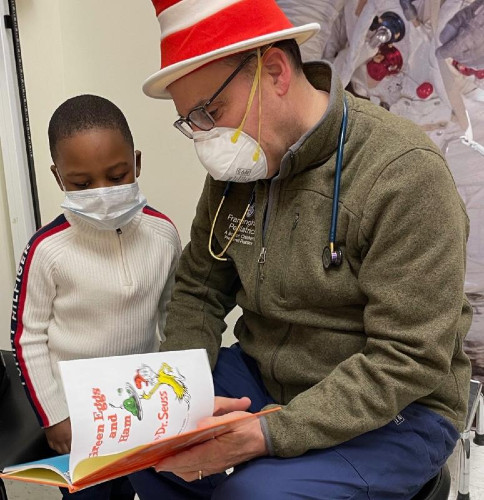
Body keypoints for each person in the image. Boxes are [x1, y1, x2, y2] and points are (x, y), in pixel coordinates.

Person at [129, 0, 472, 498]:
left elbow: (408, 357)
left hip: (401, 407)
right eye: (191, 122)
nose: (207, 140)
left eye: (212, 112)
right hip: (266, 375)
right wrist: (176, 397)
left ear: (274, 71)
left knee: (252, 494)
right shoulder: (236, 175)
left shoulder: (402, 174)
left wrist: (269, 435)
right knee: (148, 450)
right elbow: (199, 288)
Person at [276, 0, 484, 384]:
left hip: (464, 132)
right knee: (381, 303)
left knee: (467, 297)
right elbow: (291, 68)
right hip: (366, 146)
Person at [10, 94, 181, 499]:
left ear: (136, 163)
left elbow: (175, 314)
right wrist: (55, 418)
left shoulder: (163, 234)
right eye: (82, 184)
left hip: (143, 405)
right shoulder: (46, 251)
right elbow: (27, 339)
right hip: (81, 417)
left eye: (118, 175)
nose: (102, 193)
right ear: (58, 177)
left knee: (148, 487)